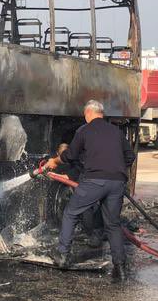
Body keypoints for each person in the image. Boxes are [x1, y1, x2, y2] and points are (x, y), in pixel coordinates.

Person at [45, 100, 136, 282]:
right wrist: (115, 169)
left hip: (94, 181)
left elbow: (70, 155)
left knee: (71, 213)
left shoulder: (84, 131)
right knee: (113, 224)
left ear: (88, 113)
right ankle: (120, 267)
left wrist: (55, 160)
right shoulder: (116, 132)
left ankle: (62, 255)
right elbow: (130, 156)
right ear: (101, 113)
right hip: (117, 182)